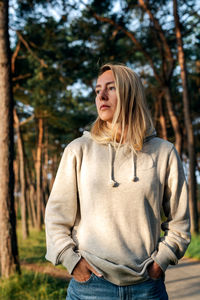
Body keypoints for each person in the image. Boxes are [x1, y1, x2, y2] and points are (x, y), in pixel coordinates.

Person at [45, 63, 191, 300]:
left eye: (111, 88)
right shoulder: (78, 150)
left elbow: (180, 221)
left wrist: (160, 263)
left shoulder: (163, 152)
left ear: (130, 93)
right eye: (97, 90)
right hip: (90, 287)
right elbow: (56, 217)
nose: (101, 96)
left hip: (147, 287)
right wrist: (72, 261)